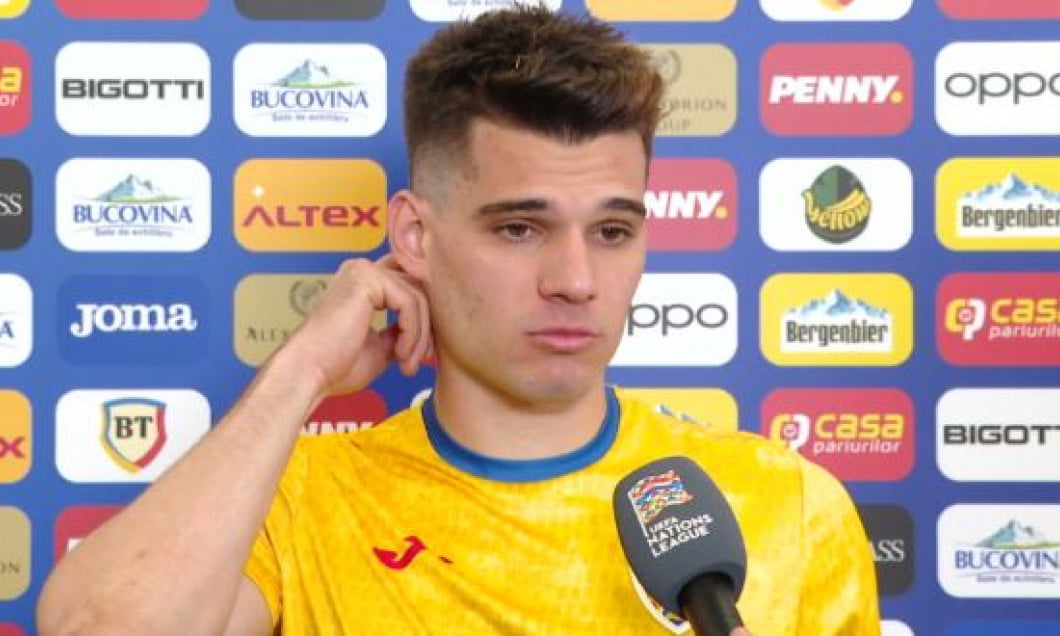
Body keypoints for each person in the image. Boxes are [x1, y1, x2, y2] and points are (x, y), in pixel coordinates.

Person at [37, 7, 879, 635]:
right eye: (519, 229)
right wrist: (301, 373)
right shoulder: (302, 497)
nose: (576, 282)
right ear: (414, 237)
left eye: (612, 232)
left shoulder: (785, 503)